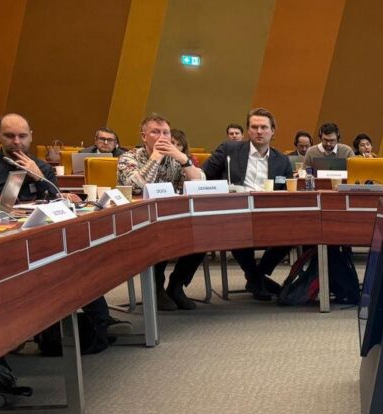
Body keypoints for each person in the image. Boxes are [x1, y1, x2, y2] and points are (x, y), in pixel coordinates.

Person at [201, 108, 296, 301]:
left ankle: (256, 276)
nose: (259, 131)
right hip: (236, 212)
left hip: (269, 214)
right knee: (238, 231)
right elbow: (204, 175)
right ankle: (257, 279)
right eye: (254, 127)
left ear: (272, 131)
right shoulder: (229, 149)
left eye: (264, 127)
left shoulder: (282, 160)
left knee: (293, 233)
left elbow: (286, 192)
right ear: (248, 130)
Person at [118, 114, 205, 311]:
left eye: (166, 133)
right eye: (155, 132)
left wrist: (183, 159)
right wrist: (155, 158)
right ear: (144, 136)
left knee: (203, 234)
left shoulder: (175, 158)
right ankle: (156, 288)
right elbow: (137, 187)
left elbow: (200, 183)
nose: (162, 137)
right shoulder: (128, 158)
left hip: (171, 217)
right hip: (139, 220)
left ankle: (176, 286)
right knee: (160, 234)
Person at [0, 113, 68, 202]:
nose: (17, 142)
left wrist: (39, 178)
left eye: (22, 136)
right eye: (9, 136)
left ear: (31, 136)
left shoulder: (44, 168)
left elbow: (56, 204)